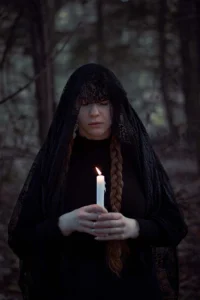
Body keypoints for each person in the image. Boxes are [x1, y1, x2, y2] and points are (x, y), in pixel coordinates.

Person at [8, 63, 188, 300]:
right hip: (68, 291)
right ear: (73, 107)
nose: (94, 112)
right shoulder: (54, 165)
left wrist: (134, 228)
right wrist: (64, 224)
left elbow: (174, 227)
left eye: (103, 103)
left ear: (116, 107)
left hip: (135, 290)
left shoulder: (137, 158)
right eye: (85, 103)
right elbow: (20, 239)